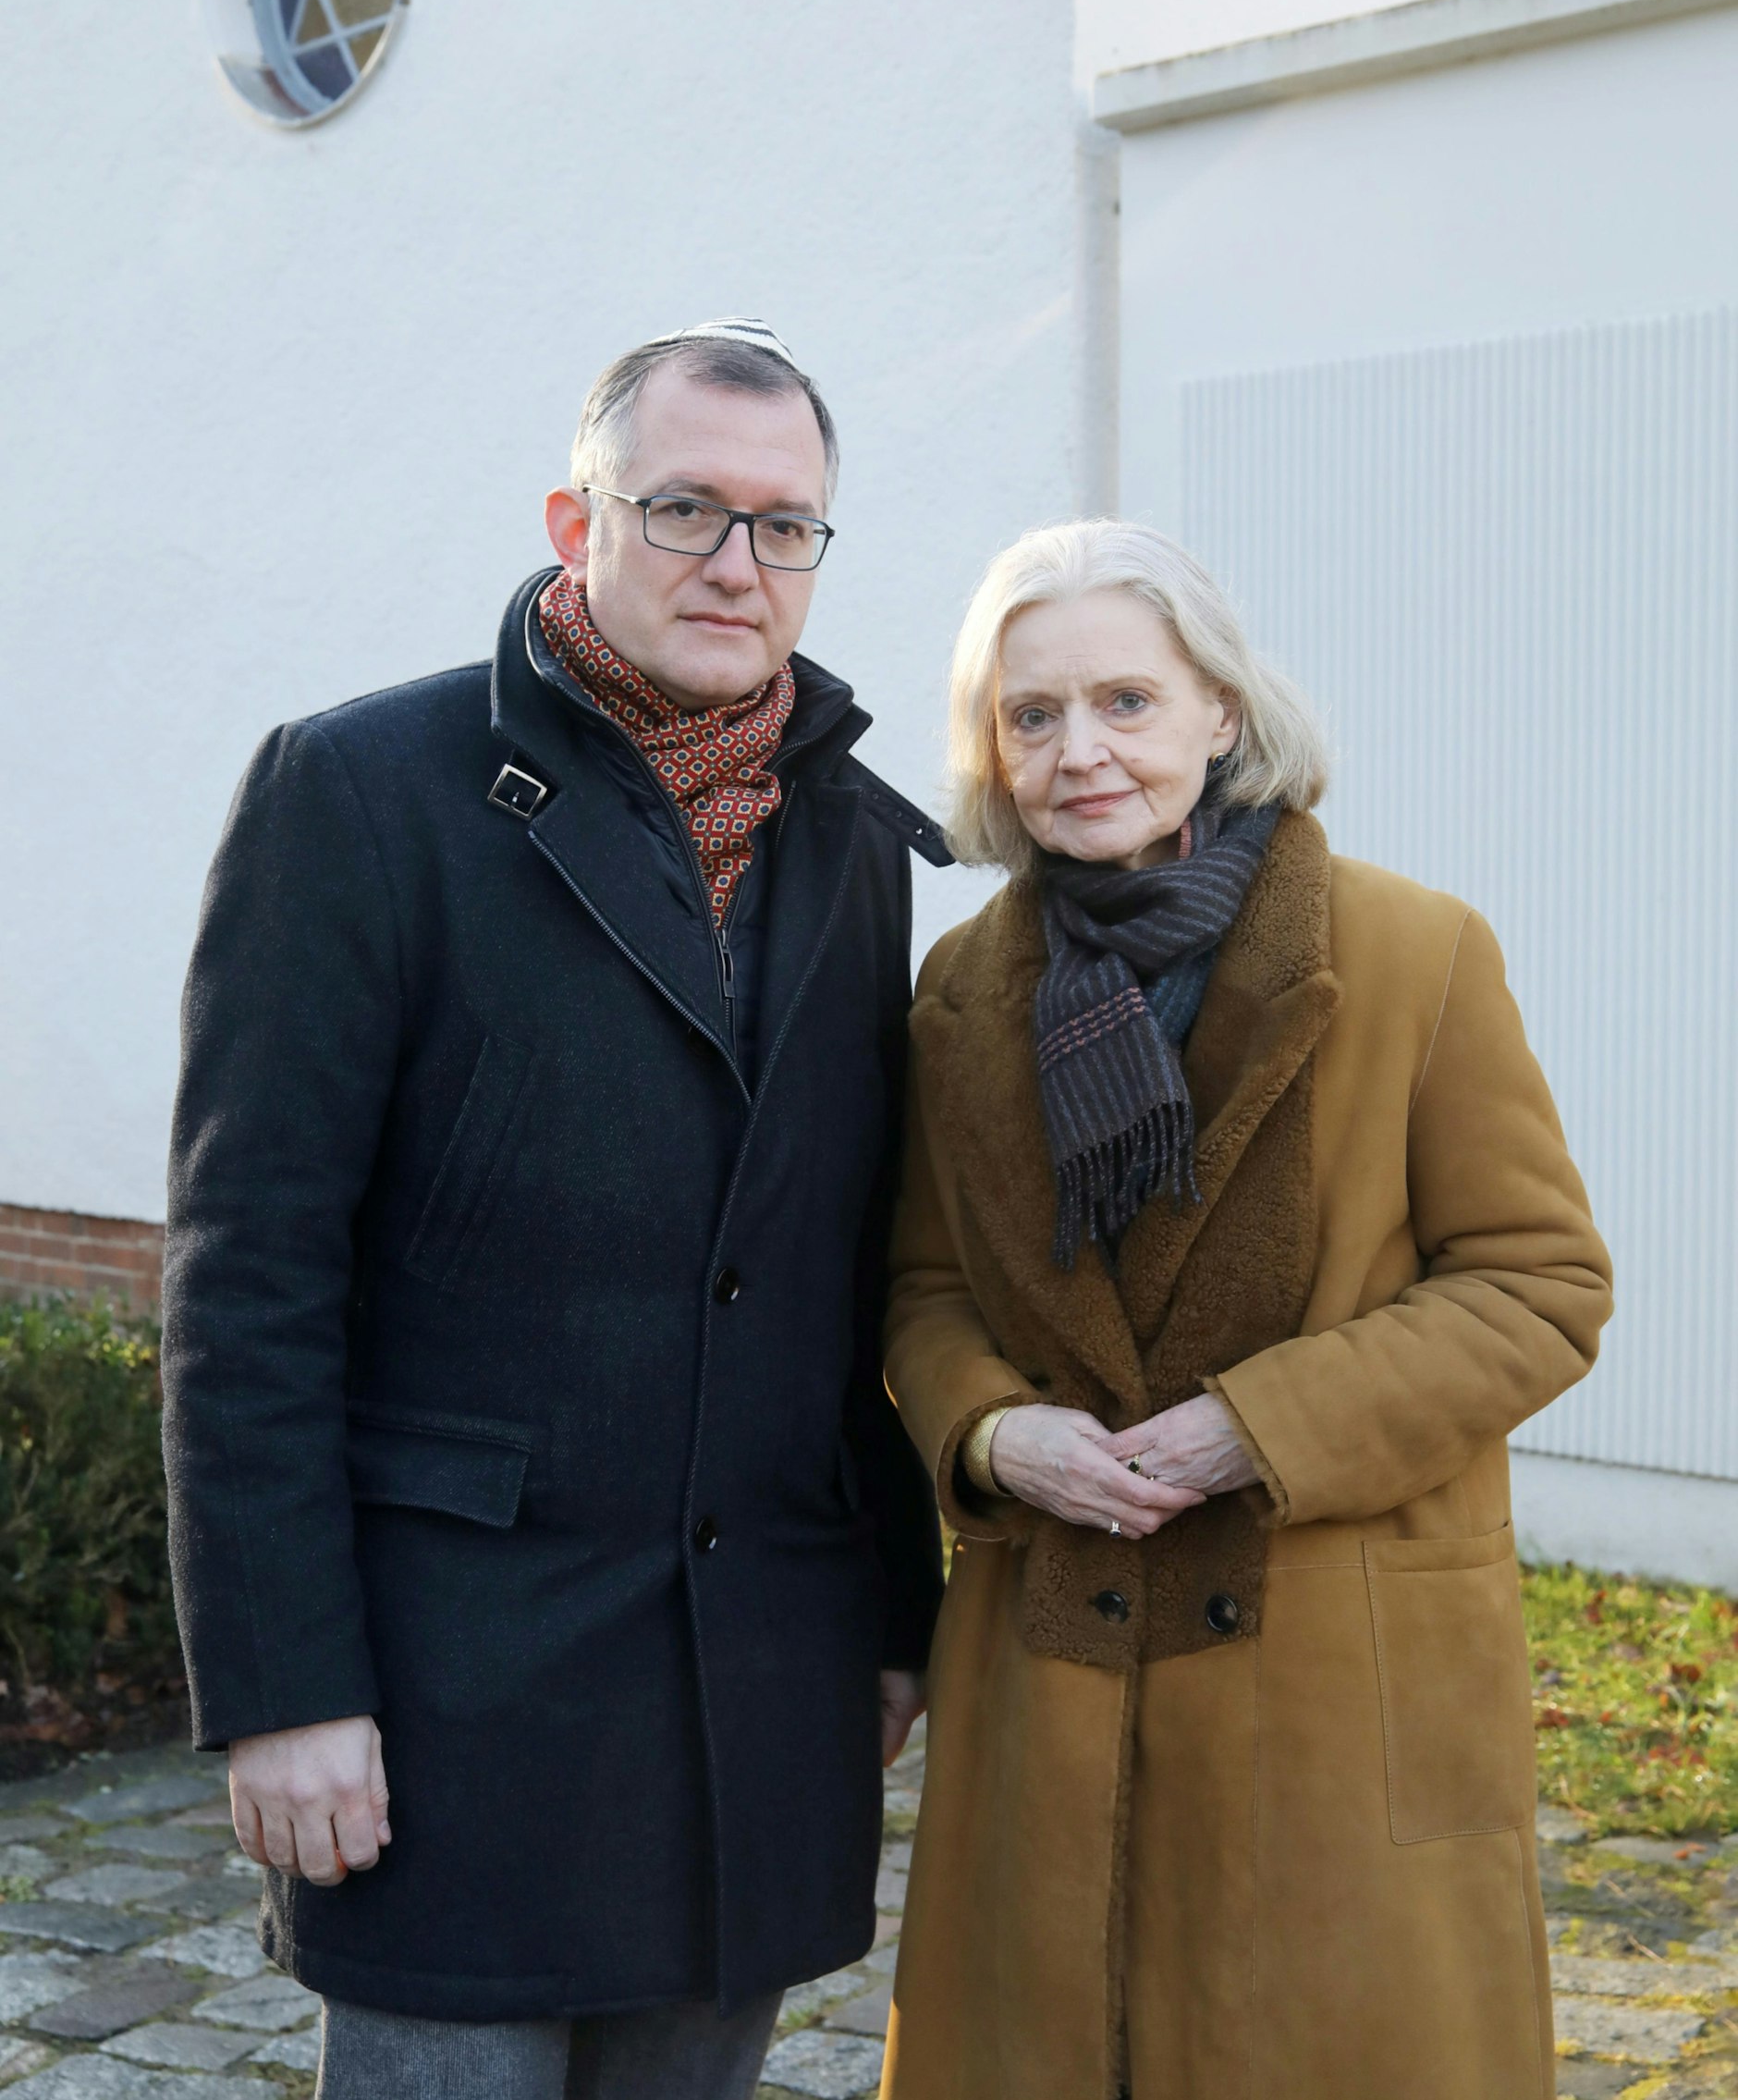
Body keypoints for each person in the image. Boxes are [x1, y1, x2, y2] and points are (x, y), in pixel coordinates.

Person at [161, 318, 947, 2100]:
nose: (737, 562)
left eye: (785, 522)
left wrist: (898, 1609)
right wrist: (283, 1684)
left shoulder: (852, 842)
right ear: (572, 514)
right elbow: (251, 1273)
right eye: (683, 508)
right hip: (458, 1696)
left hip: (756, 1685)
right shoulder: (360, 791)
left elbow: (837, 1259)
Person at [877, 518, 1612, 2100]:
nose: (1081, 752)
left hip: (1338, 1675)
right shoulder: (958, 995)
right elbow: (926, 1289)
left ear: (1222, 709)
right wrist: (1000, 1436)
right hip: (1054, 1669)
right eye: (1033, 715)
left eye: (1126, 701)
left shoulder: (1415, 954)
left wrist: (1251, 1429)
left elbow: (1540, 1285)